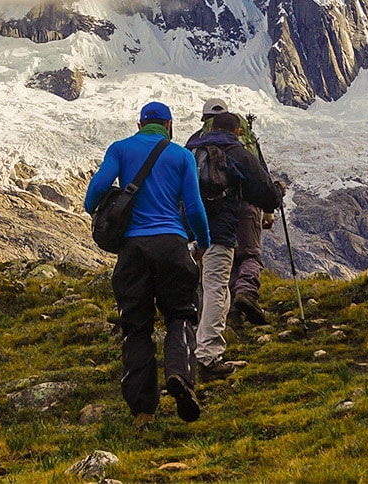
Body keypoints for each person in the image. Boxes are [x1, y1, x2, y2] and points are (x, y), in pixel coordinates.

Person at [84, 101, 211, 428]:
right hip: (172, 244)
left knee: (136, 325)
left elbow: (96, 190)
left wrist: (94, 209)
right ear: (169, 125)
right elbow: (194, 208)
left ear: (140, 124)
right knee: (181, 315)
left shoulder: (121, 149)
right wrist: (204, 242)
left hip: (133, 251)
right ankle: (179, 376)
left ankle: (143, 411)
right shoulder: (181, 155)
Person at [185, 111, 283, 380]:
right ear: (238, 131)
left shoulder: (191, 148)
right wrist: (276, 194)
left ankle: (192, 348)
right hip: (220, 230)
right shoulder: (236, 151)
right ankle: (208, 357)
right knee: (217, 286)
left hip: (189, 230)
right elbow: (262, 191)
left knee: (202, 286)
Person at [190, 98, 276, 326]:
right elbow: (261, 176)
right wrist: (269, 209)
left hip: (208, 211)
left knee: (218, 263)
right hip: (247, 207)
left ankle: (229, 314)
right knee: (248, 255)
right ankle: (246, 293)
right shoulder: (243, 143)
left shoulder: (196, 143)